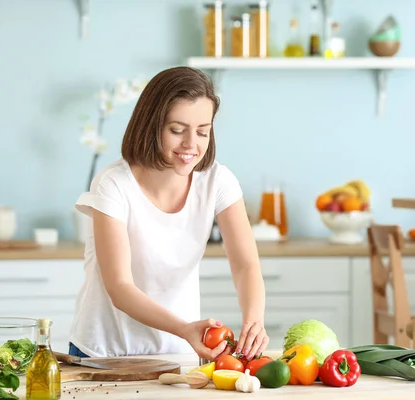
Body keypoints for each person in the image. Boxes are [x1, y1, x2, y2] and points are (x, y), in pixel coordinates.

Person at [69, 66, 268, 362]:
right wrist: (184, 328)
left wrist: (254, 320)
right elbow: (120, 287)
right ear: (151, 125)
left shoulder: (218, 181)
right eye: (177, 130)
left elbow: (245, 264)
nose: (191, 144)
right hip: (105, 352)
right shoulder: (113, 184)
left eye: (203, 131)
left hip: (178, 352)